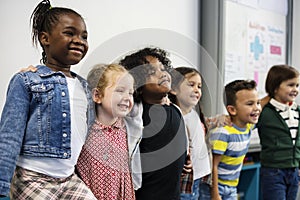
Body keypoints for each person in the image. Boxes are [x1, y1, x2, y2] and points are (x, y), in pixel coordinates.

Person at [0, 0, 96, 199]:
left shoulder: (85, 87)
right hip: (31, 177)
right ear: (45, 39)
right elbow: (9, 137)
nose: (79, 40)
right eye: (69, 33)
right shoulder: (27, 80)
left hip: (68, 178)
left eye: (84, 36)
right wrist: (2, 188)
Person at [119, 47, 187, 200]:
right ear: (137, 85)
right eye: (151, 72)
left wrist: (185, 158)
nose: (161, 74)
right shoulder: (134, 115)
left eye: (163, 68)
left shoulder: (175, 110)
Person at [76, 63, 137, 199]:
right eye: (120, 90)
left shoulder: (127, 126)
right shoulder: (84, 128)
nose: (127, 97)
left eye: (131, 93)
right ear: (97, 95)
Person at [209, 79, 261, 200]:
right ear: (232, 110)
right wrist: (215, 193)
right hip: (216, 187)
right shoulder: (223, 133)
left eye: (257, 103)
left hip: (232, 187)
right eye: (250, 104)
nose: (257, 108)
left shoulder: (248, 126)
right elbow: (213, 166)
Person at [257, 64, 300, 200]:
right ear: (275, 88)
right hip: (273, 171)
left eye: (297, 85)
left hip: (294, 171)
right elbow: (245, 116)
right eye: (290, 85)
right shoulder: (265, 111)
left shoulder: (297, 110)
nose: (295, 90)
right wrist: (263, 101)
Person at [168, 66, 212, 200]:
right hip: (186, 183)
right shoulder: (175, 116)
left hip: (201, 177)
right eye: (191, 85)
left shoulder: (194, 112)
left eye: (199, 87)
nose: (196, 90)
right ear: (174, 89)